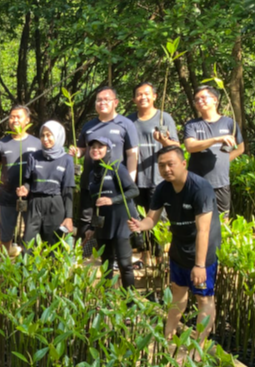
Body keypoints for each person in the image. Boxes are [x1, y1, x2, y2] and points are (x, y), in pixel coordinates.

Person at [128, 145, 220, 344]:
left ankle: (199, 346)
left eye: (171, 164)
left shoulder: (200, 188)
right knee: (177, 292)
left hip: (202, 251)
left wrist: (200, 265)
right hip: (179, 248)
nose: (166, 169)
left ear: (183, 163)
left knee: (204, 299)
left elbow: (204, 231)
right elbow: (151, 219)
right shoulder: (163, 189)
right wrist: (139, 225)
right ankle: (167, 336)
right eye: (161, 166)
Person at [72, 87, 139, 241]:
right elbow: (82, 150)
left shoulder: (126, 124)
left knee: (112, 218)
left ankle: (112, 257)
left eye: (106, 99)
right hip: (90, 180)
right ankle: (85, 255)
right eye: (99, 100)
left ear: (115, 102)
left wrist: (129, 180)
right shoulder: (88, 126)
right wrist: (76, 152)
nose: (102, 103)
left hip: (114, 183)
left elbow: (132, 154)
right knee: (86, 218)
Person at [127, 82, 180, 266]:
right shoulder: (129, 121)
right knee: (138, 218)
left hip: (158, 179)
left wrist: (164, 141)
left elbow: (176, 147)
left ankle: (159, 258)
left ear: (155, 96)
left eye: (147, 94)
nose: (143, 97)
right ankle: (144, 256)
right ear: (134, 99)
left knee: (159, 218)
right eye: (139, 94)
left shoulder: (164, 118)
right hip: (135, 179)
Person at [0, 105, 41, 256]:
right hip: (7, 194)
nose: (14, 120)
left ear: (27, 120)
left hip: (31, 195)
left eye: (18, 117)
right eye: (11, 117)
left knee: (31, 234)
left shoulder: (37, 144)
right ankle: (4, 265)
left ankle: (29, 266)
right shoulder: (1, 144)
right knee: (5, 233)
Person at [183, 86, 245, 218]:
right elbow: (190, 146)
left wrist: (222, 160)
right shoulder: (192, 125)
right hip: (197, 182)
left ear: (215, 100)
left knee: (223, 222)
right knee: (196, 220)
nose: (200, 101)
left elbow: (240, 149)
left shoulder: (229, 123)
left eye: (203, 98)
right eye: (196, 99)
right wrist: (217, 139)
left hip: (221, 182)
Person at [86, 136, 138, 290]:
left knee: (124, 264)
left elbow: (134, 190)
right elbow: (94, 203)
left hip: (121, 221)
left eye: (100, 147)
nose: (95, 150)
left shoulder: (117, 167)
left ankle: (130, 301)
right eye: (92, 147)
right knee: (106, 264)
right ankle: (107, 301)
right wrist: (91, 227)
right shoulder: (91, 174)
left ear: (108, 149)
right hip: (103, 224)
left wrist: (112, 200)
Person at [17, 120, 75, 247]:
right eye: (42, 135)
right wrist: (24, 189)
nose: (45, 139)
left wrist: (69, 217)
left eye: (49, 135)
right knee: (28, 245)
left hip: (55, 204)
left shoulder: (67, 160)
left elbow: (68, 190)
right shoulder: (34, 156)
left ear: (58, 136)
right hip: (35, 203)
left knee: (53, 247)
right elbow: (27, 181)